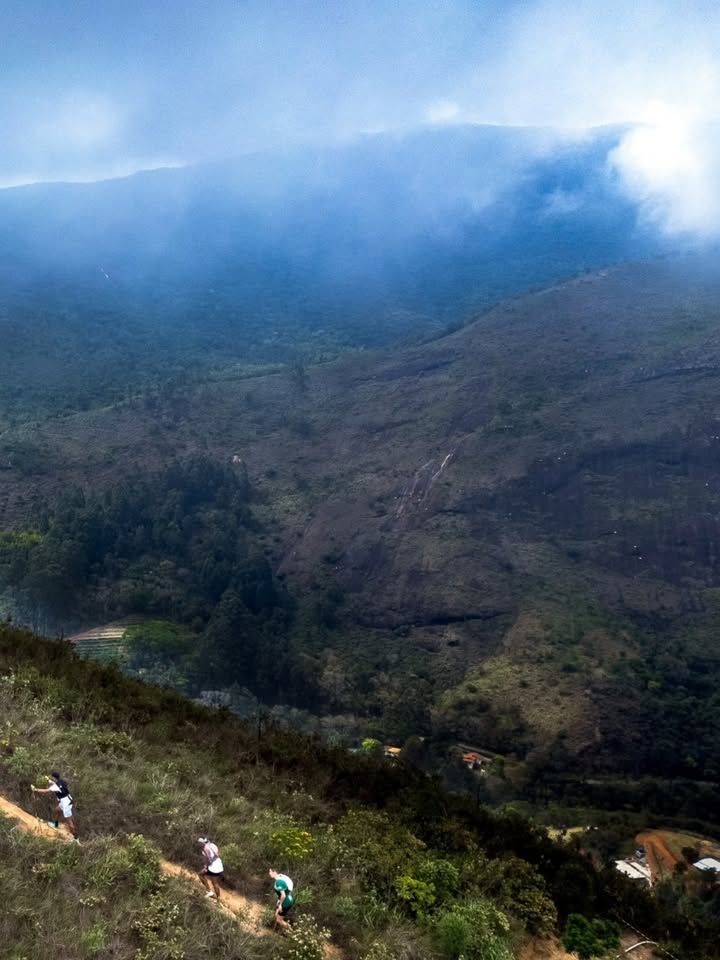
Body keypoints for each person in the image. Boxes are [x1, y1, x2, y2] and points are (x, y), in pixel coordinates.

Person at [31, 771, 78, 839]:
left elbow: (45, 791)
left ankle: (75, 837)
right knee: (56, 811)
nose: (51, 778)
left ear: (54, 777)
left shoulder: (55, 786)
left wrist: (35, 789)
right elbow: (56, 784)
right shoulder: (62, 781)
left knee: (69, 821)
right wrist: (48, 780)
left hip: (66, 803)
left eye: (52, 777)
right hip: (67, 800)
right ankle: (56, 825)